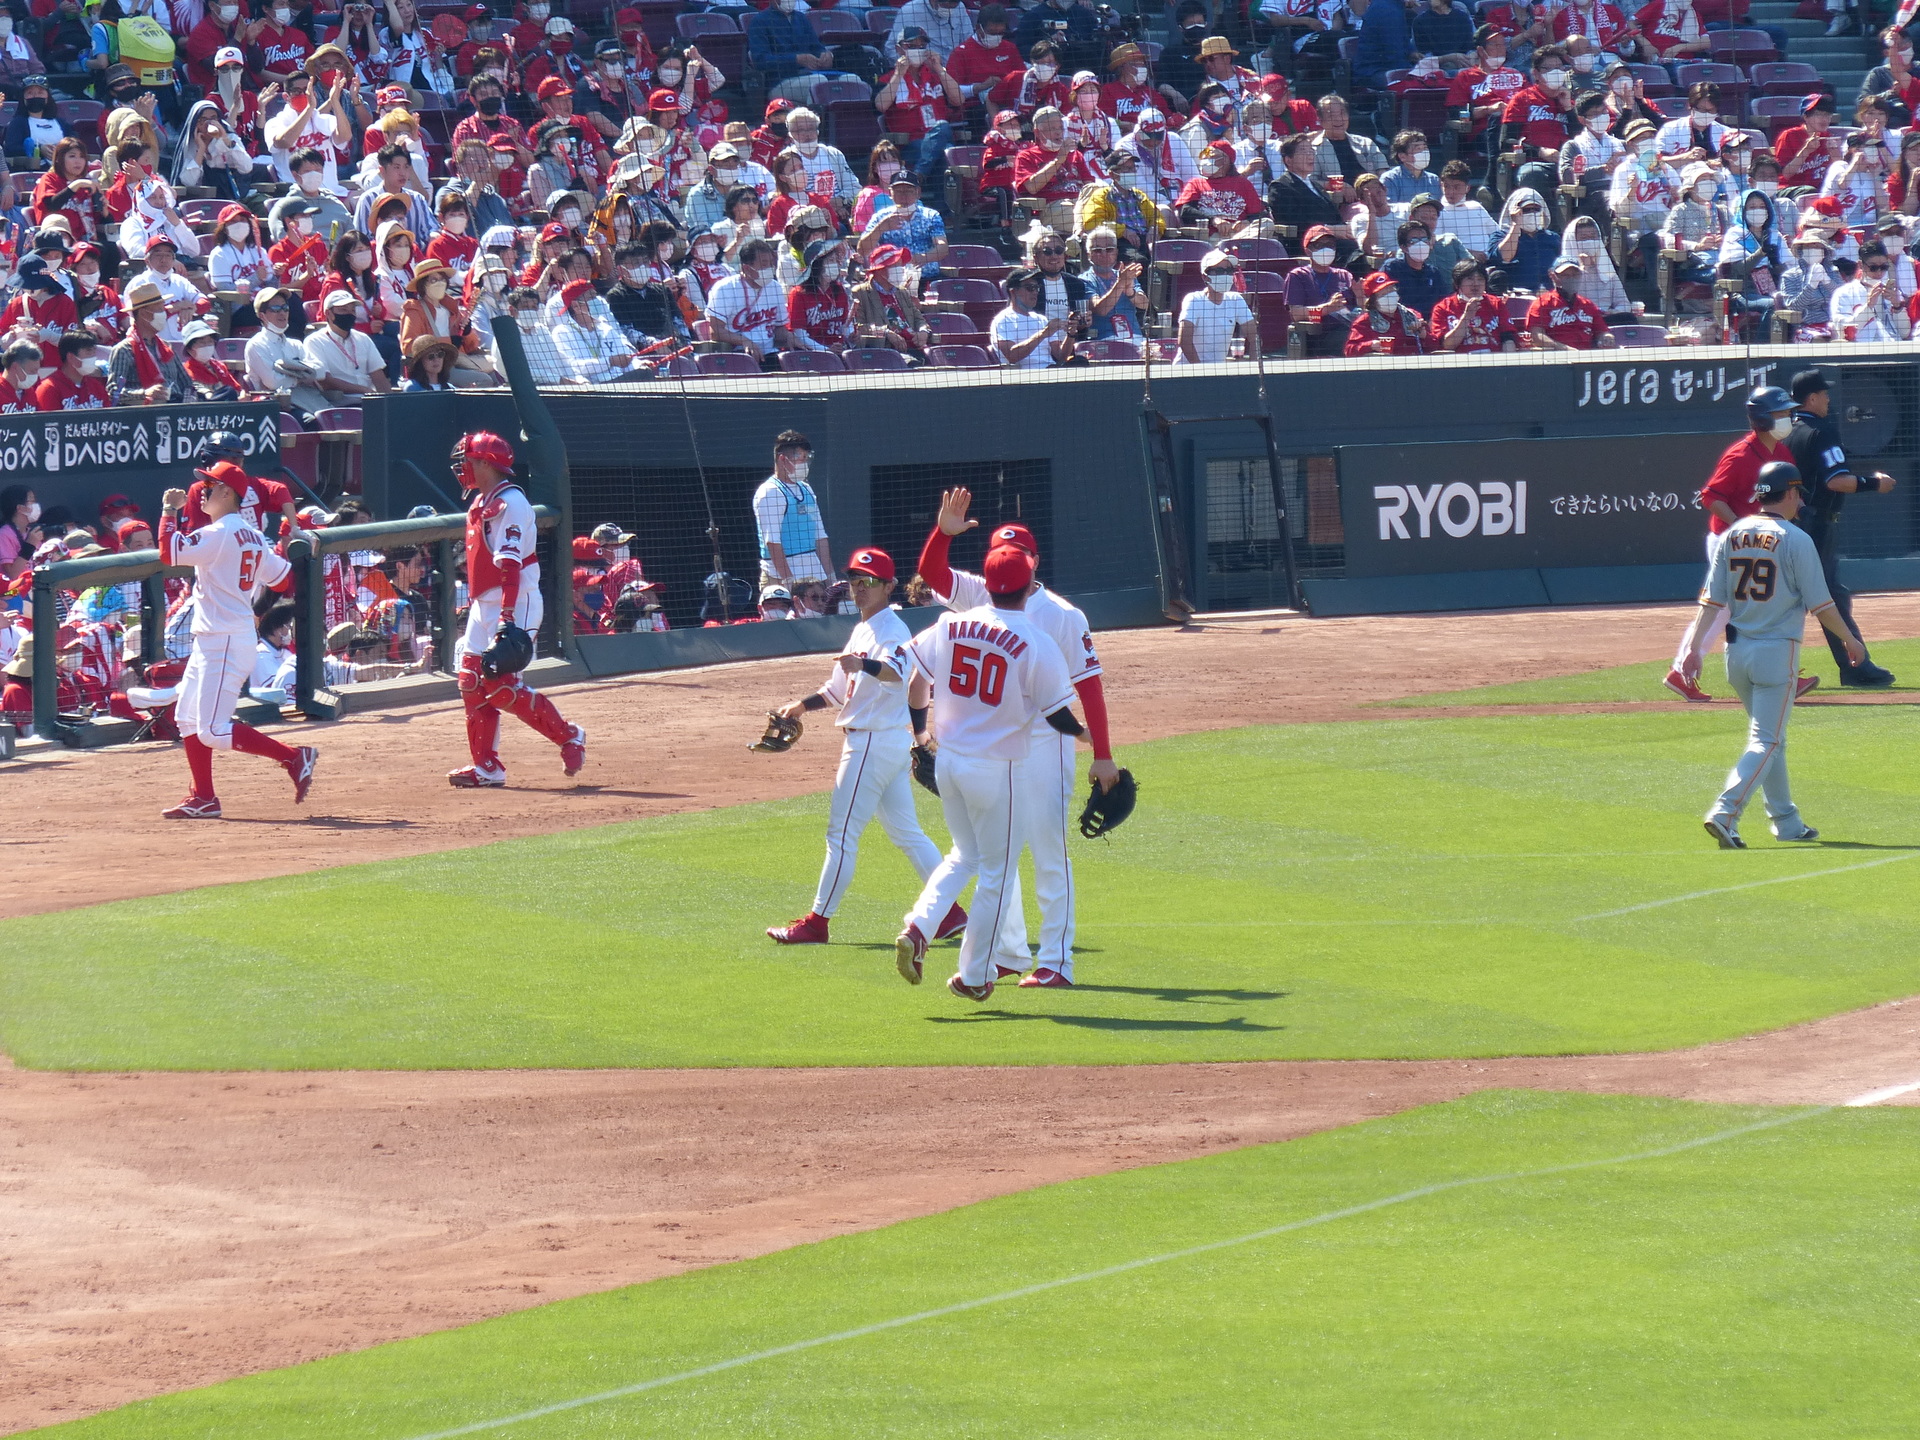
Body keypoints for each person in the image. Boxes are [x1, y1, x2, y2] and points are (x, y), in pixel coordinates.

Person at [892, 542, 1081, 1000]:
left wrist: (919, 732)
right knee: (997, 871)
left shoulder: (951, 622)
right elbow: (1056, 715)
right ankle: (974, 975)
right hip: (998, 771)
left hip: (950, 763)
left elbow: (902, 669)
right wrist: (1091, 738)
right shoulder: (1037, 640)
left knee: (965, 855)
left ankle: (920, 924)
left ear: (988, 585)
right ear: (1029, 583)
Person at [764, 545, 966, 948]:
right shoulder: (862, 628)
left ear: (889, 586)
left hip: (872, 745)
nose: (860, 588)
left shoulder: (892, 630)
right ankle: (949, 914)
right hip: (885, 744)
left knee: (841, 836)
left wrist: (865, 665)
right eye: (855, 581)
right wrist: (802, 706)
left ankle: (817, 923)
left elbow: (897, 672)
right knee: (908, 833)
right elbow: (839, 691)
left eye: (869, 582)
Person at [1682, 461, 1863, 849]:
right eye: (1799, 495)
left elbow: (1711, 602)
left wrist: (1695, 650)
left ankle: (1786, 821)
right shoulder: (1795, 539)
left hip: (1737, 656)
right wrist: (1850, 640)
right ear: (1793, 493)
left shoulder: (1733, 533)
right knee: (1767, 741)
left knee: (1769, 737)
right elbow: (1822, 604)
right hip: (1775, 655)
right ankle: (1725, 811)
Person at [153, 464, 316, 819]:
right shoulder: (253, 534)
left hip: (225, 640)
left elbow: (168, 553)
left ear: (228, 492)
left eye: (209, 484)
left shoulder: (220, 532)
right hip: (218, 637)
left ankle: (293, 757)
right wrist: (254, 605)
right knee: (187, 719)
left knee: (211, 729)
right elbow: (284, 580)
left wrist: (168, 511)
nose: (202, 490)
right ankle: (204, 798)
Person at [447, 429, 586, 788]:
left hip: (517, 601)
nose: (463, 467)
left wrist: (507, 618)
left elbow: (510, 566)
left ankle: (569, 736)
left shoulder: (512, 504)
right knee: (471, 681)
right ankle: (486, 768)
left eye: (468, 461)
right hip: (485, 603)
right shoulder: (480, 502)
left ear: (484, 464)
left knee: (502, 687)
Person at [1664, 386, 1800, 703]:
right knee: (1725, 610)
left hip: (1760, 543)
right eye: (1782, 413)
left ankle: (1774, 673)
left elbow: (1792, 494)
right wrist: (1742, 526)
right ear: (1765, 418)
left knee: (1758, 606)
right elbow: (1711, 496)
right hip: (1729, 541)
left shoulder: (1781, 452)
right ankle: (1682, 671)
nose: (1788, 417)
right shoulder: (1740, 456)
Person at [1784, 369, 1897, 687]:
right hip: (1816, 527)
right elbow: (1837, 480)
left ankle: (1776, 668)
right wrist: (1874, 482)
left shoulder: (1789, 433)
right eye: (1825, 394)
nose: (1829, 399)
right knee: (1829, 597)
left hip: (1792, 524)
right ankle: (1855, 666)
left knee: (1798, 598)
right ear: (1812, 398)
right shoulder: (1822, 432)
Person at [753, 430, 835, 591]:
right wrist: (789, 583)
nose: (804, 464)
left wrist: (830, 578)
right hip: (779, 579)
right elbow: (773, 543)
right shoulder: (770, 492)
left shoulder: (807, 489)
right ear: (783, 459)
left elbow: (820, 537)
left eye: (807, 458)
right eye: (800, 458)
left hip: (813, 578)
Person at [1177, 248, 1255, 362]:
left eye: (1228, 270)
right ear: (1205, 276)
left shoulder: (1236, 299)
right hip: (1187, 372)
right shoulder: (1193, 299)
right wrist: (1201, 372)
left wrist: (1254, 372)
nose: (1225, 275)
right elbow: (1184, 340)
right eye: (1218, 271)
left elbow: (1254, 338)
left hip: (1218, 373)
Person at [990, 266, 1075, 368]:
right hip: (1024, 377)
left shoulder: (1041, 319)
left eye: (1036, 288)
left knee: (1081, 362)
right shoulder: (1002, 320)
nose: (1035, 292)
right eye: (1030, 288)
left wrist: (1071, 334)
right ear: (1013, 291)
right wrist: (1043, 334)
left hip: (1050, 372)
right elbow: (1012, 356)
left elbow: (1061, 356)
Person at [1429, 259, 1520, 352]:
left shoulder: (1496, 303)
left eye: (1480, 279)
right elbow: (1447, 345)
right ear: (1457, 283)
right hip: (1460, 363)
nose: (1476, 284)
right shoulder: (1442, 308)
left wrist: (1506, 362)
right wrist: (1467, 316)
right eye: (1470, 278)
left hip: (1493, 360)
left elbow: (1508, 339)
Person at [1525, 255, 1614, 348]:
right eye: (1565, 275)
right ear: (1553, 276)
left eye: (1575, 275)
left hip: (1587, 357)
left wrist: (1607, 337)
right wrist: (1564, 349)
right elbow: (1537, 337)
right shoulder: (1542, 303)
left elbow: (1602, 331)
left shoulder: (1587, 304)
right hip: (1556, 357)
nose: (1571, 278)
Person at [1830, 239, 1909, 341]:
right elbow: (1841, 328)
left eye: (1884, 267)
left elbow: (1904, 333)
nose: (1879, 272)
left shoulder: (1892, 292)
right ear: (1860, 265)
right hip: (1863, 352)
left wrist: (1898, 307)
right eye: (1873, 267)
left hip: (1894, 349)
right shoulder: (1844, 293)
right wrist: (1868, 307)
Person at [33, 331, 110, 409]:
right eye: (89, 351)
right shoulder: (49, 388)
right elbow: (47, 420)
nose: (94, 357)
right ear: (71, 357)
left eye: (94, 352)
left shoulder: (96, 387)